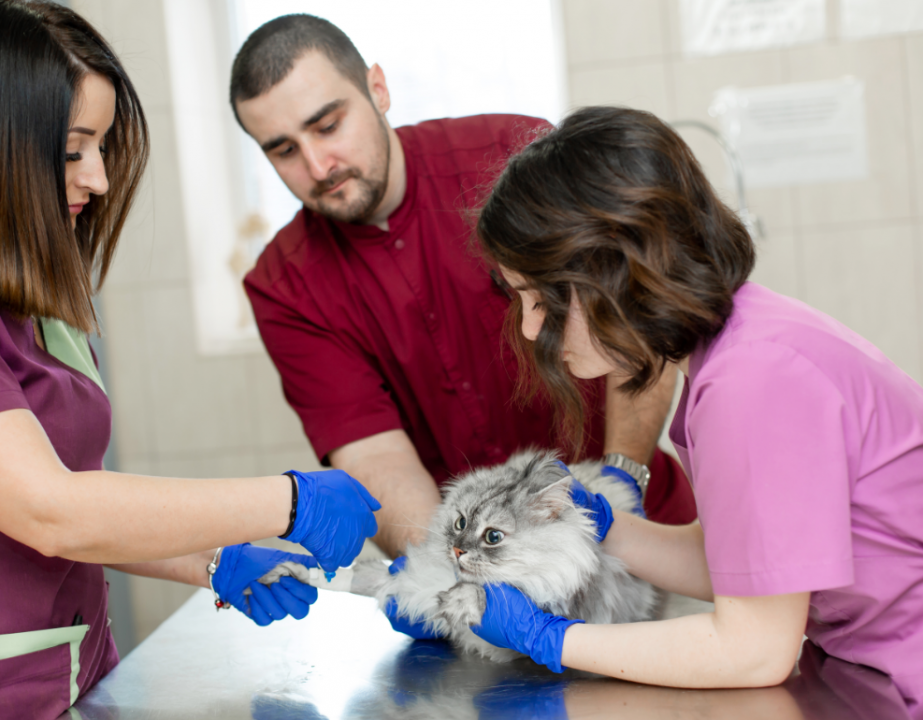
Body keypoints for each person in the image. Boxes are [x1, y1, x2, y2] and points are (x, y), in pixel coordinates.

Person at [0, 2, 379, 717]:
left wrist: (212, 559)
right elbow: (49, 511)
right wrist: (289, 499)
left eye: (101, 147)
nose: (97, 179)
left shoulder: (24, 293)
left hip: (78, 677)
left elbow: (81, 496)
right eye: (74, 150)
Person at [466, 105, 923, 712]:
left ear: (612, 268)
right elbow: (747, 568)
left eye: (539, 298)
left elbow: (754, 650)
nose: (528, 329)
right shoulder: (738, 348)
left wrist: (553, 640)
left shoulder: (754, 381)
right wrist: (600, 525)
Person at [229, 14, 698, 570]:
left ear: (377, 89)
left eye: (328, 126)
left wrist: (621, 479)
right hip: (480, 566)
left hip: (638, 529)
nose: (317, 165)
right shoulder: (285, 286)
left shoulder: (510, 159)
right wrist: (453, 574)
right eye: (283, 151)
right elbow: (375, 455)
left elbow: (636, 323)